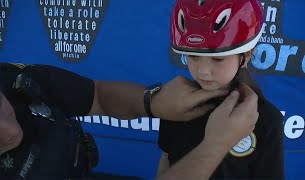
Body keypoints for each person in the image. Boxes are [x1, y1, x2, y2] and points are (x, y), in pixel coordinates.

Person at [0, 62, 256, 179]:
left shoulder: (11, 79)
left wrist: (152, 102)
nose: (9, 130)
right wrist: (216, 145)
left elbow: (98, 96)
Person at [157, 0, 285, 179]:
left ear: (246, 55)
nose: (203, 71)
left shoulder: (267, 121)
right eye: (193, 56)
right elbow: (166, 161)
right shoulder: (173, 104)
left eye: (218, 59)